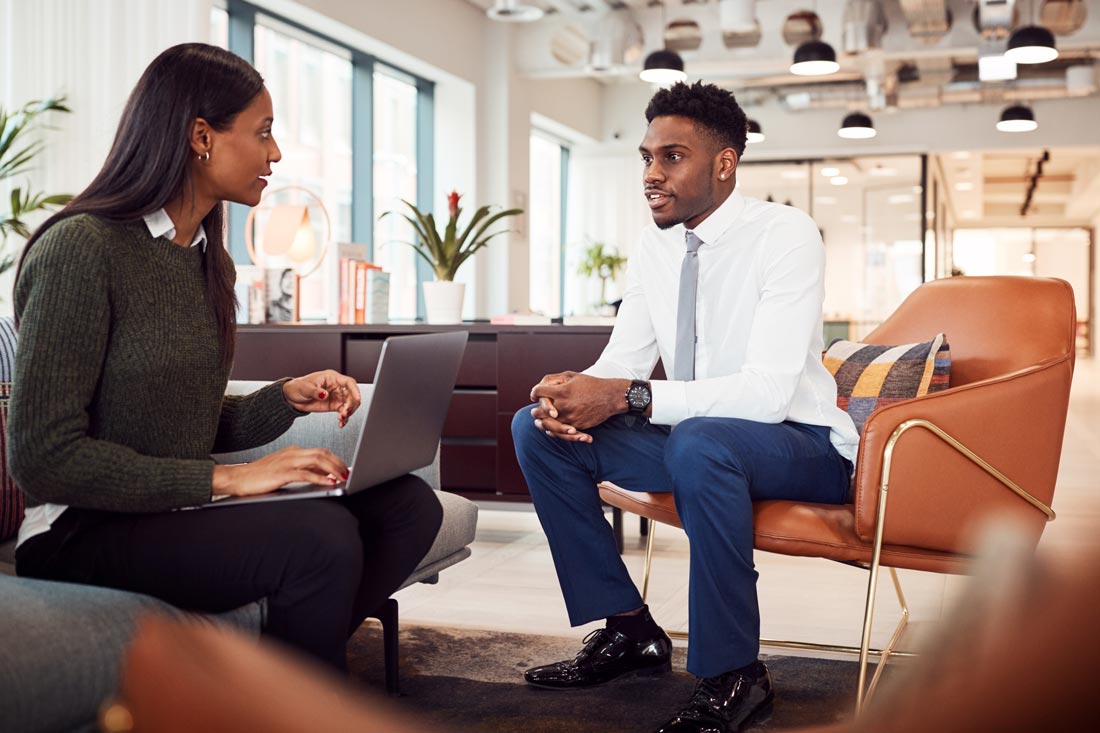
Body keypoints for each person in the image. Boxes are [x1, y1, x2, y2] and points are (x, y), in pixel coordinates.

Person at [7, 43, 443, 673]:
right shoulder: (83, 248)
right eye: (263, 133)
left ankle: (273, 677)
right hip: (82, 529)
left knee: (409, 508)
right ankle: (299, 701)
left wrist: (286, 398)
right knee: (320, 541)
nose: (276, 154)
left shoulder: (207, 259)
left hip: (172, 510)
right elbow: (41, 459)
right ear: (201, 136)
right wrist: (229, 480)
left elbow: (178, 420)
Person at [511, 81, 859, 733]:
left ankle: (736, 673)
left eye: (671, 156)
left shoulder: (786, 235)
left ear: (724, 162)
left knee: (703, 440)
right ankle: (630, 630)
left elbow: (767, 393)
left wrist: (628, 396)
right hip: (700, 441)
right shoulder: (656, 246)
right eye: (646, 157)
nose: (651, 173)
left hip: (800, 443)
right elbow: (625, 362)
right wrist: (574, 390)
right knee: (536, 431)